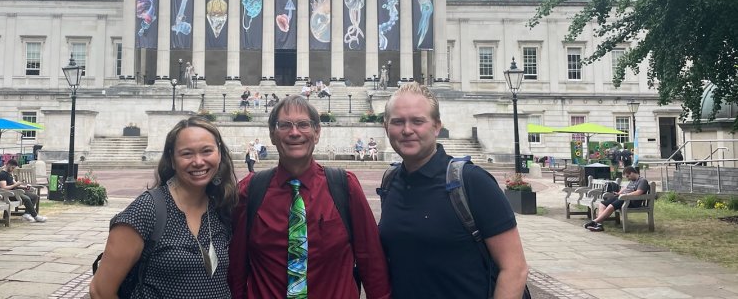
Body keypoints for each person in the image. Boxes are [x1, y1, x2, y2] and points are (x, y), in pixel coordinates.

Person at [228, 95, 391, 299]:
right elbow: (236, 266)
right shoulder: (250, 191)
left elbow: (371, 261)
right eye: (284, 125)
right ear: (272, 134)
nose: (295, 133)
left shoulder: (344, 187)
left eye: (303, 124)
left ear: (316, 133)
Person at [379, 83, 528, 298]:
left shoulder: (473, 181)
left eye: (418, 121)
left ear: (437, 126)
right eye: (398, 122)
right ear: (386, 127)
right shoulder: (390, 182)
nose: (407, 130)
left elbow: (515, 268)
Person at [90, 117, 238, 298]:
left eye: (207, 151)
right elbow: (100, 291)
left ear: (220, 154)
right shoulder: (147, 210)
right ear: (172, 160)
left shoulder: (221, 207)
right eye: (187, 154)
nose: (198, 161)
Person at [584, 166, 650, 232]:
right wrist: (618, 193)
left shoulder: (642, 181)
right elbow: (626, 188)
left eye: (628, 176)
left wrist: (625, 195)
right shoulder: (632, 181)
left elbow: (639, 192)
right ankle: (599, 225)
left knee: (611, 206)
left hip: (631, 201)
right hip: (623, 198)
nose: (628, 179)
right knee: (602, 204)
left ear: (632, 173)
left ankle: (595, 221)